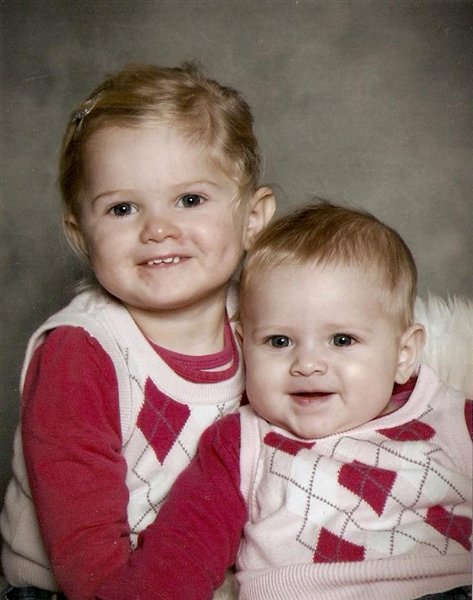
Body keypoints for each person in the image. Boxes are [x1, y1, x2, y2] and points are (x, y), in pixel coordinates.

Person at [95, 201, 472, 600]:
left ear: (403, 354)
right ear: (244, 344)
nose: (307, 364)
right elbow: (184, 549)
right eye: (279, 341)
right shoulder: (241, 443)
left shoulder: (449, 418)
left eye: (342, 340)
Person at [0, 62, 275, 600]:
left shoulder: (267, 325)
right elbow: (85, 559)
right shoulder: (82, 352)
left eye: (190, 200)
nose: (158, 229)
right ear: (81, 233)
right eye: (122, 208)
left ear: (253, 218)